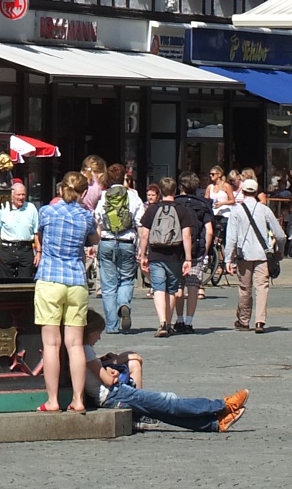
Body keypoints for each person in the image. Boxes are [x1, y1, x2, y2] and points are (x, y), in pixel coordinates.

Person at [83, 311, 248, 432]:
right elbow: (108, 380)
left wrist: (106, 366)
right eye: (98, 333)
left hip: (110, 396)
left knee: (163, 412)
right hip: (114, 394)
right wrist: (113, 372)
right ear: (90, 332)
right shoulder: (86, 350)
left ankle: (214, 424)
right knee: (168, 401)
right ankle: (222, 405)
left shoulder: (83, 349)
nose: (99, 337)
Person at [34, 171, 99, 413]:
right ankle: (78, 400)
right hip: (76, 280)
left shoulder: (47, 212)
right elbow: (95, 239)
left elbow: (39, 235)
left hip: (50, 279)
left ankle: (52, 401)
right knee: (75, 345)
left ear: (61, 189)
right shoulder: (86, 217)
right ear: (84, 193)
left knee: (51, 345)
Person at [224, 178, 286, 333]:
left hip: (243, 255)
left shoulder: (236, 211)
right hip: (263, 254)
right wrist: (280, 250)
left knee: (245, 288)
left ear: (243, 192)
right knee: (262, 287)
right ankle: (260, 321)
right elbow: (280, 235)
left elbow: (231, 237)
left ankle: (244, 321)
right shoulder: (264, 210)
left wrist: (227, 259)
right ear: (257, 192)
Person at [138, 176, 194, 338]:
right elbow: (187, 235)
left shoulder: (152, 209)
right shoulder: (182, 210)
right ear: (175, 191)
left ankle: (162, 321)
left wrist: (143, 254)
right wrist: (188, 258)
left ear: (160, 191)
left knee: (158, 287)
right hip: (175, 255)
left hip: (156, 253)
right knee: (171, 289)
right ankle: (168, 323)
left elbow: (144, 234)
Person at [94, 163, 145, 333]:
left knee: (108, 285)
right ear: (125, 177)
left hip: (107, 241)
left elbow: (97, 221)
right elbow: (141, 225)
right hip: (127, 241)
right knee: (126, 278)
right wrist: (142, 249)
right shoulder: (133, 197)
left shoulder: (103, 197)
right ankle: (124, 304)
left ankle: (112, 325)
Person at [173, 172, 214, 334]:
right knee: (193, 285)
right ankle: (189, 321)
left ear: (181, 186)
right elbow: (209, 231)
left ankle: (179, 319)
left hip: (177, 249)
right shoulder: (203, 205)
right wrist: (205, 250)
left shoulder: (175, 203)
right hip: (196, 250)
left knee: (178, 286)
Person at [0, 181, 39, 278]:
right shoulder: (2, 209)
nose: (21, 197)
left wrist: (39, 252)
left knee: (24, 283)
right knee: (5, 284)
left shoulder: (31, 208)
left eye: (23, 195)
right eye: (18, 195)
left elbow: (36, 233)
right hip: (7, 250)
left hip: (25, 250)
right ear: (12, 195)